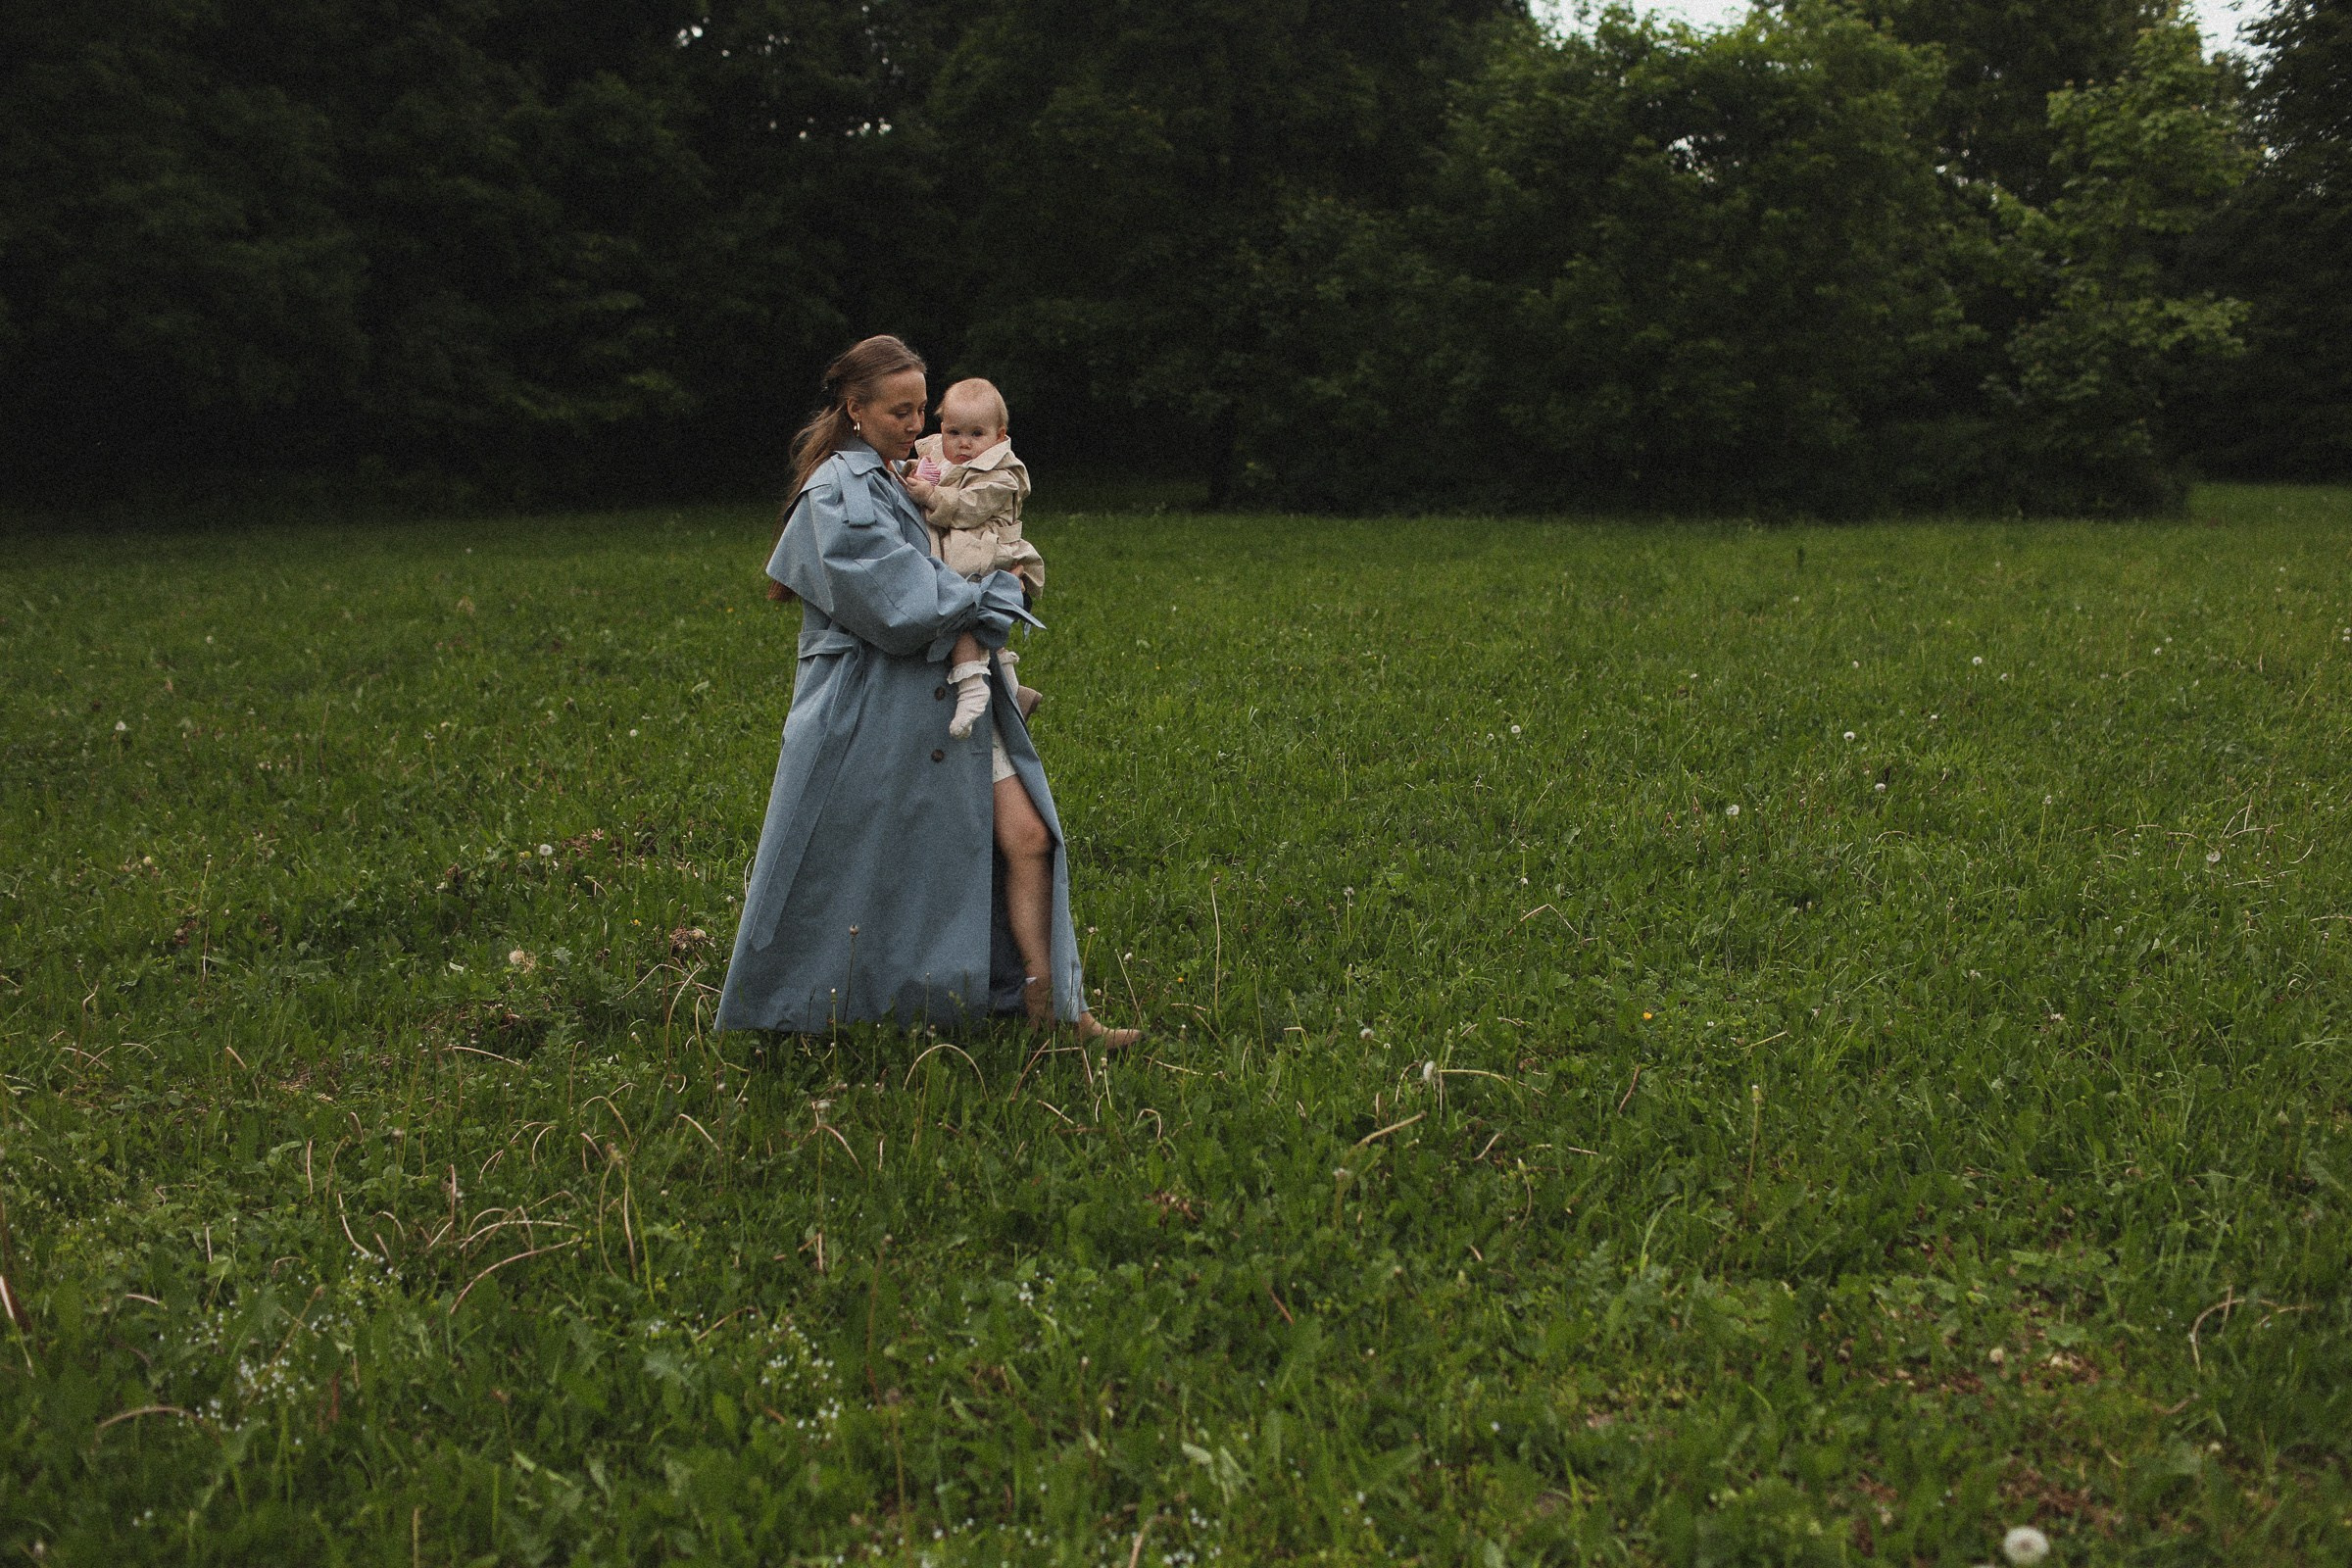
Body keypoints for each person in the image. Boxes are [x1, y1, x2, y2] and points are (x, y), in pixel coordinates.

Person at [715, 334, 1136, 1049]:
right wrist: (998, 592)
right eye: (900, 412)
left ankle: (1052, 1008)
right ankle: (810, 1012)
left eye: (921, 410)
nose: (917, 427)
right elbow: (898, 601)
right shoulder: (838, 491)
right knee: (850, 866)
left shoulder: (900, 475)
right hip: (867, 710)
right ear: (855, 409)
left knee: (1029, 837)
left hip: (937, 692)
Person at [901, 377, 1046, 737]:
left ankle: (971, 687)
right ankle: (1013, 693)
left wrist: (931, 496)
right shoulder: (934, 457)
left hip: (989, 556)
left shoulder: (1004, 473)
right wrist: (911, 474)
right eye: (954, 432)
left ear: (999, 436)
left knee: (967, 615)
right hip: (960, 554)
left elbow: (971, 506)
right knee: (975, 622)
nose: (963, 443)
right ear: (942, 429)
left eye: (976, 434)